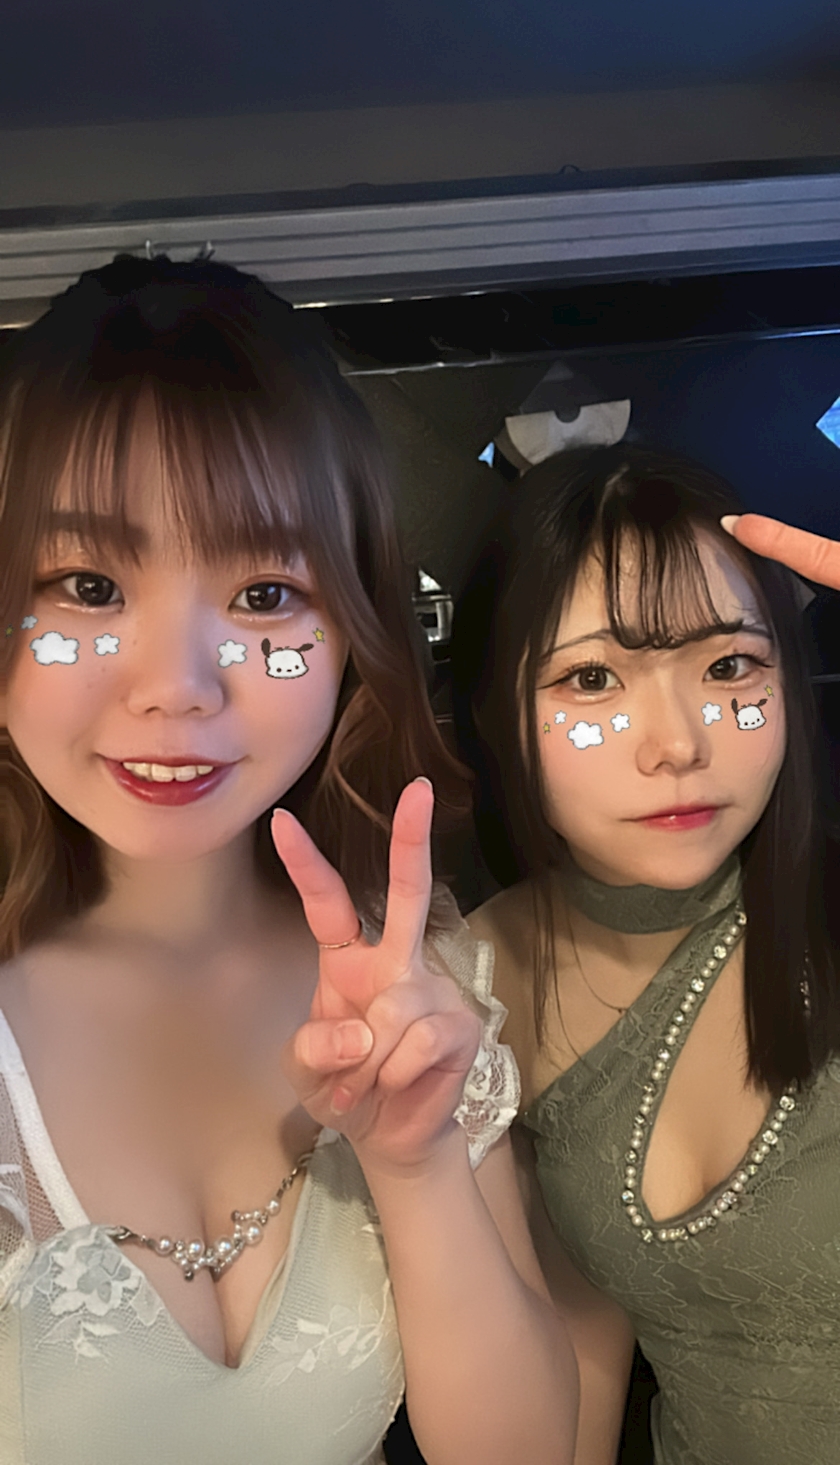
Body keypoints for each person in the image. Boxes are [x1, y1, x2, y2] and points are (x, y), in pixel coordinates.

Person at [0, 254, 578, 1465]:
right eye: (89, 584)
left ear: (353, 628)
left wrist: (416, 1164)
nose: (177, 686)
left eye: (265, 594)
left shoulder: (412, 969)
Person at [451, 444, 840, 1465]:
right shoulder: (478, 978)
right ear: (494, 712)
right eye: (591, 679)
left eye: (730, 666)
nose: (678, 742)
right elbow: (578, 1365)